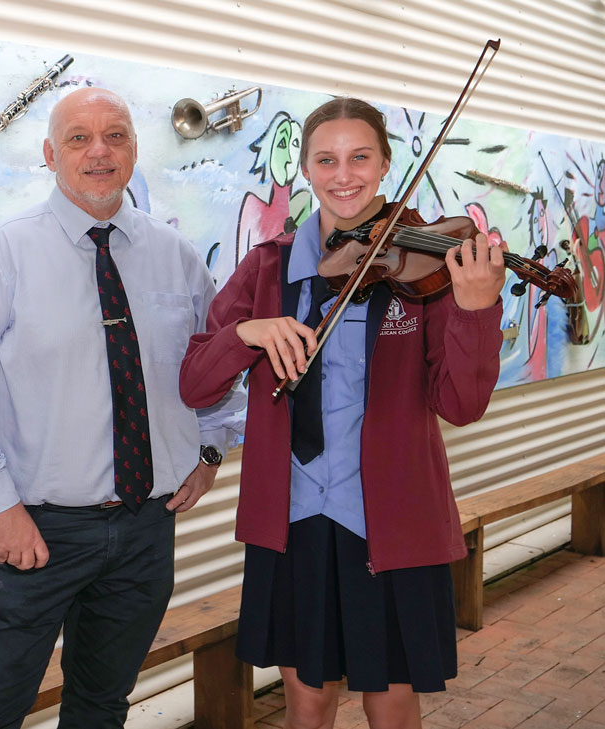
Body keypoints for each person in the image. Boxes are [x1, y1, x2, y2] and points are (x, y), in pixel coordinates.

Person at [179, 97, 506, 729]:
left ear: (386, 164)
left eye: (360, 157)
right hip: (293, 519)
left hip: (389, 518)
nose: (344, 174)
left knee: (391, 700)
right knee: (307, 699)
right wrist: (246, 333)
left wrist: (473, 310)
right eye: (326, 159)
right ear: (305, 169)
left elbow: (462, 406)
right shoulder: (268, 268)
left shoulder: (426, 269)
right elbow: (196, 383)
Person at [0, 87, 244, 729]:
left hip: (147, 527)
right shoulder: (5, 253)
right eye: (78, 138)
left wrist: (210, 449)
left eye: (116, 135)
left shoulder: (174, 255)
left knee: (102, 704)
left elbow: (214, 367)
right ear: (50, 154)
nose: (98, 151)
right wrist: (0, 508)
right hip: (37, 530)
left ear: (134, 150)